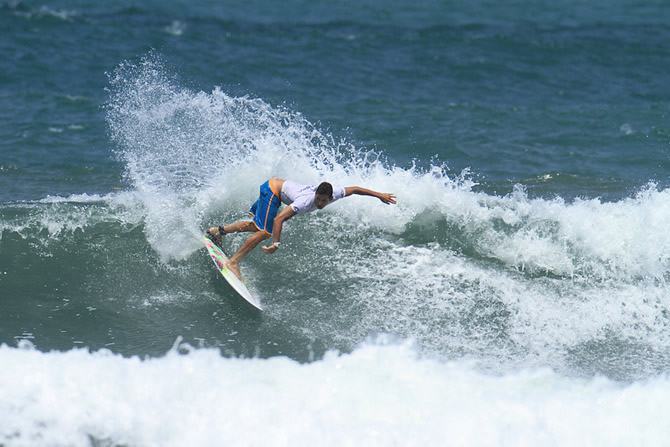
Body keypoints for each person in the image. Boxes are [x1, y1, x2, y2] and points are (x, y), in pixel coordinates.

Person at [207, 177, 396, 279]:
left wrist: (379, 195)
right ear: (315, 195)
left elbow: (355, 189)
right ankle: (233, 263)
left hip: (275, 191)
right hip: (272, 191)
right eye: (318, 200)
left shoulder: (335, 193)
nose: (320, 203)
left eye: (324, 201)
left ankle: (218, 231)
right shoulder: (306, 202)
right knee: (264, 231)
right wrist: (276, 243)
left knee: (257, 226)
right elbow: (279, 219)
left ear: (330, 197)